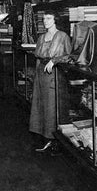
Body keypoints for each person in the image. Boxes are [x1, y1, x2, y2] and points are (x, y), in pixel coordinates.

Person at [29, 12, 71, 153]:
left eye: (48, 18)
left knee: (52, 107)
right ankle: (44, 136)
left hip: (54, 75)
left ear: (55, 20)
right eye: (43, 19)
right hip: (41, 74)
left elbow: (69, 56)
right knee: (40, 105)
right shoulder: (41, 37)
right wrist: (36, 76)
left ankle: (53, 140)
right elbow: (38, 57)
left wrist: (54, 60)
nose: (45, 21)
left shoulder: (62, 36)